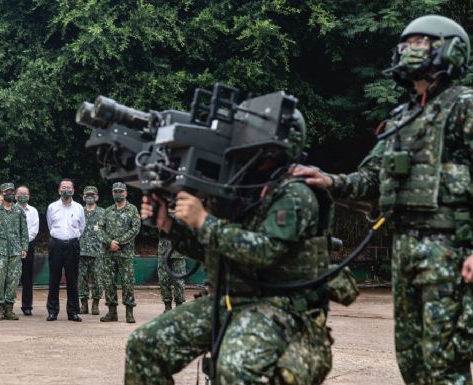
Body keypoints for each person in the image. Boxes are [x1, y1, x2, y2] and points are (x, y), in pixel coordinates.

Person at [291, 15, 473, 384]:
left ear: (448, 51)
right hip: (405, 249)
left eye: (420, 43)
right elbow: (373, 179)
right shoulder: (403, 117)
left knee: (445, 363)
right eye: (405, 44)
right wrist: (328, 181)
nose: (408, 51)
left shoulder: (464, 106)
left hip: (451, 252)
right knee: (412, 361)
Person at [125, 110, 340, 384]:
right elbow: (215, 252)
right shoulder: (238, 191)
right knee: (143, 345)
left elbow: (264, 253)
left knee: (234, 367)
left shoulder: (294, 193)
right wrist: (170, 226)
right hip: (229, 299)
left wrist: (204, 221)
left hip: (279, 305)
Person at [99, 182, 140, 323]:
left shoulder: (132, 210)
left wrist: (119, 242)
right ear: (112, 193)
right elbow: (100, 229)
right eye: (115, 191)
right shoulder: (107, 211)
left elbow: (135, 228)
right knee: (109, 282)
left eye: (120, 191)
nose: (118, 194)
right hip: (109, 253)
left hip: (125, 254)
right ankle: (112, 312)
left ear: (126, 193)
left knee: (128, 282)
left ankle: (129, 312)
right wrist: (109, 242)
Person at [0, 183, 28, 321]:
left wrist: (24, 248)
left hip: (15, 251)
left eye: (11, 191)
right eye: (6, 191)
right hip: (0, 250)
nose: (9, 193)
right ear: (2, 193)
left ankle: (9, 309)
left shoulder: (19, 211)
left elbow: (24, 231)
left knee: (13, 280)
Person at [45, 178, 85, 322]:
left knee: (72, 279)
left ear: (73, 191)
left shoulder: (79, 208)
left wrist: (72, 238)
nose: (66, 189)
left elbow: (81, 227)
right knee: (54, 278)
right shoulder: (52, 207)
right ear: (59, 190)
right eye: (63, 187)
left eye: (69, 187)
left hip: (73, 245)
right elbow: (50, 226)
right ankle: (52, 311)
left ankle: (73, 311)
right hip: (56, 245)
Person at [78, 186, 105, 315]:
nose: (90, 197)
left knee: (97, 279)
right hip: (80, 251)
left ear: (97, 197)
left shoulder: (103, 213)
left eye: (92, 195)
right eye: (87, 195)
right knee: (81, 279)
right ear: (83, 197)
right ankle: (83, 304)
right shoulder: (78, 211)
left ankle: (95, 304)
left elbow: (107, 231)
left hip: (98, 252)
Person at [16, 185, 39, 316]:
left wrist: (23, 244)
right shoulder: (9, 209)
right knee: (8, 276)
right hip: (10, 246)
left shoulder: (33, 211)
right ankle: (5, 305)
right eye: (20, 193)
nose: (22, 195)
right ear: (15, 196)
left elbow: (34, 231)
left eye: (25, 193)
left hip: (28, 246)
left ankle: (27, 305)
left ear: (29, 196)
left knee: (27, 277)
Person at [156, 233, 186, 313]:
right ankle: (167, 306)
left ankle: (179, 306)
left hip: (178, 251)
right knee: (163, 279)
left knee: (179, 280)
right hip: (163, 250)